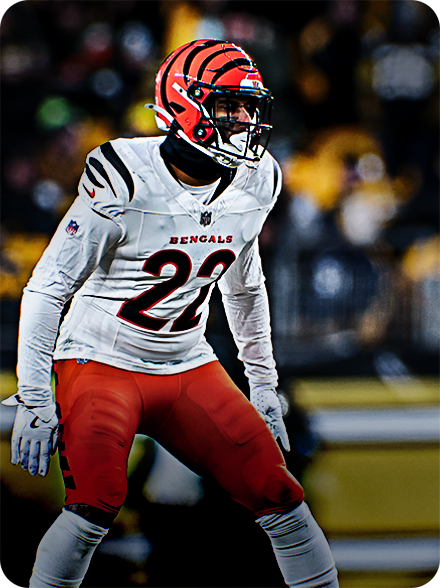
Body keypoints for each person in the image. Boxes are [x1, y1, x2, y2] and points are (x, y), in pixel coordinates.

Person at [2, 39, 339, 588]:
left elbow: (245, 288)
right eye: (229, 106)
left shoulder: (259, 178)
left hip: (185, 361)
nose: (244, 120)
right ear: (184, 107)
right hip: (101, 357)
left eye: (248, 106)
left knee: (279, 494)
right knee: (94, 503)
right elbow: (46, 287)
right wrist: (36, 395)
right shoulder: (125, 174)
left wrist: (263, 387)